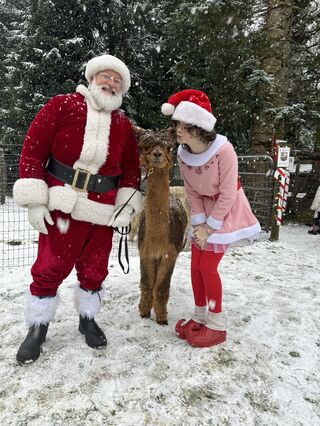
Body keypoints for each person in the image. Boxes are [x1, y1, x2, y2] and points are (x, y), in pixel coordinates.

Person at [13, 54, 142, 363]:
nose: (110, 84)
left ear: (122, 89)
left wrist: (126, 208)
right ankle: (38, 327)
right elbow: (33, 149)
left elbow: (131, 170)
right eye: (105, 77)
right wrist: (34, 199)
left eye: (117, 81)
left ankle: (88, 319)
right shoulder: (61, 106)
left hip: (102, 212)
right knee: (49, 266)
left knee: (95, 268)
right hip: (62, 207)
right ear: (91, 78)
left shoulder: (123, 125)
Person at [161, 89, 261, 348]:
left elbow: (228, 194)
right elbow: (192, 192)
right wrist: (198, 225)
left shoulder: (224, 151)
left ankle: (216, 321)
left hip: (226, 212)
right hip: (203, 212)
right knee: (195, 267)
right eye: (177, 124)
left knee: (207, 267)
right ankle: (200, 315)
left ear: (200, 127)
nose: (178, 130)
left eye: (185, 125)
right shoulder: (183, 155)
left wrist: (210, 227)